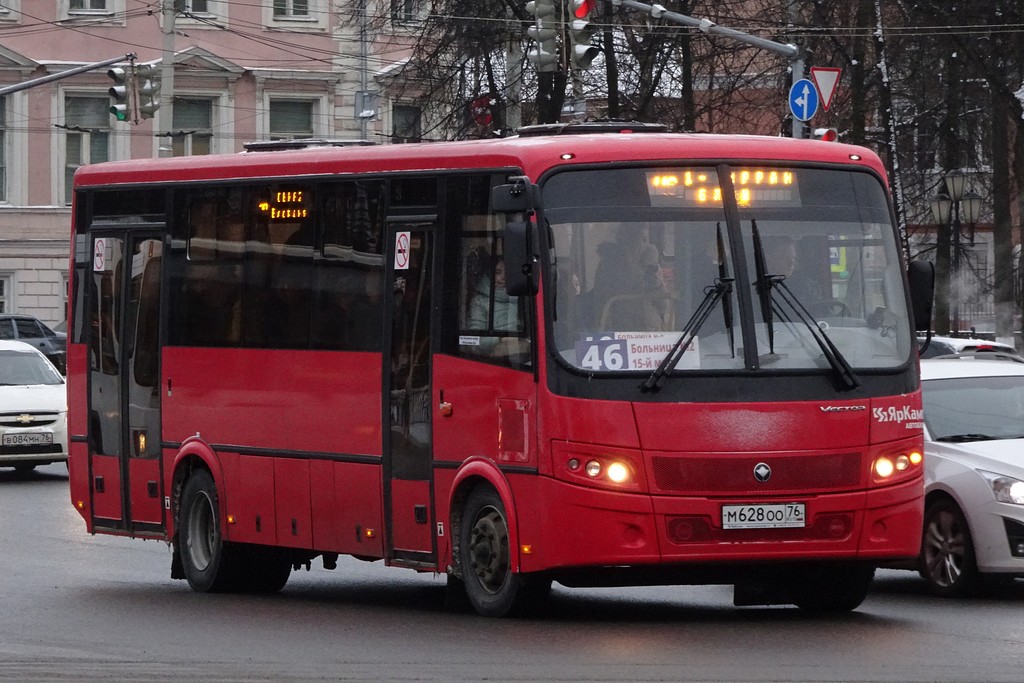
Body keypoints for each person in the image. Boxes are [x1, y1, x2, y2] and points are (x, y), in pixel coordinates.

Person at [590, 225, 667, 330]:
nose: (640, 243)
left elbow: (663, 307)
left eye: (645, 239)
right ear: (622, 239)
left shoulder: (652, 266)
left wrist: (656, 287)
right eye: (634, 237)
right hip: (621, 333)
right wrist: (606, 337)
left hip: (651, 333)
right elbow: (602, 306)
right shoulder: (607, 266)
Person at [468, 258, 525, 358]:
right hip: (494, 360)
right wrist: (500, 339)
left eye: (508, 272)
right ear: (490, 275)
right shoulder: (480, 301)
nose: (503, 278)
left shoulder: (523, 298)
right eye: (498, 272)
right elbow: (474, 341)